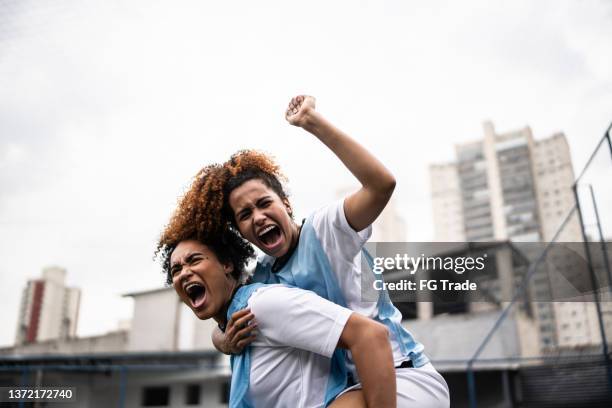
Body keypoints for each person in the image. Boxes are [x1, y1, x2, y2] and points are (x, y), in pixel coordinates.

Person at [186, 96, 449, 406]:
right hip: (351, 388)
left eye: (264, 203)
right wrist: (224, 341)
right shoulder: (265, 276)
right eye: (245, 215)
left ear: (285, 203)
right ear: (241, 231)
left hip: (402, 376)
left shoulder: (327, 229)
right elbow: (224, 323)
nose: (258, 217)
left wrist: (312, 122)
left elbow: (381, 185)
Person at [156, 218, 397, 407]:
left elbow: (370, 334)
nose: (184, 272)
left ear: (227, 264)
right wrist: (221, 340)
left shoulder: (262, 304)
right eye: (176, 269)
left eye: (194, 260)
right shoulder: (235, 326)